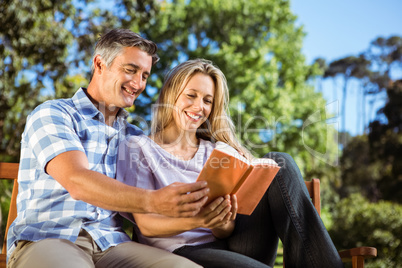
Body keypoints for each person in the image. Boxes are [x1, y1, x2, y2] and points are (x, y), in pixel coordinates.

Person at [7, 29, 208, 268]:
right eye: (130, 70)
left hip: (113, 245)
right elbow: (77, 180)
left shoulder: (135, 138)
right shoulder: (55, 114)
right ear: (99, 64)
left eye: (144, 75)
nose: (138, 84)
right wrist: (153, 201)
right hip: (51, 238)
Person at [116, 59, 344, 268]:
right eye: (191, 95)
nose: (199, 107)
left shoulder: (219, 152)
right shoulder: (139, 148)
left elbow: (225, 232)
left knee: (279, 162)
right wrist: (198, 219)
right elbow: (146, 226)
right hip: (180, 251)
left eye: (207, 100)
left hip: (235, 246)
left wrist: (220, 221)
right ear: (171, 95)